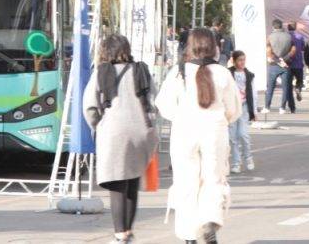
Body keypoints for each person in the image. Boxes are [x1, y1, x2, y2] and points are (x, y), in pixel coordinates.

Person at [156, 27, 241, 244]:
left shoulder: (178, 72)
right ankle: (210, 220)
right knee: (214, 178)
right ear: (214, 47)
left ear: (190, 47)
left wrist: (180, 117)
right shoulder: (222, 73)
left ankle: (188, 235)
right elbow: (233, 109)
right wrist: (221, 119)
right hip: (214, 130)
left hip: (184, 130)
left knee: (186, 182)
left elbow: (164, 105)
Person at [84, 34, 158, 243]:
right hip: (141, 132)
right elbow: (153, 100)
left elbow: (90, 107)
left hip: (113, 132)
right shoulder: (141, 70)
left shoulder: (101, 72)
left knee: (117, 185)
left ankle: (120, 235)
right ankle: (128, 232)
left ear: (105, 51)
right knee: (132, 181)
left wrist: (99, 126)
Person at [227, 50, 255, 173]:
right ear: (234, 61)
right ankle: (236, 163)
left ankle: (248, 157)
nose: (242, 62)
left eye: (244, 60)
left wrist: (254, 111)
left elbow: (253, 94)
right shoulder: (228, 73)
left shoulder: (249, 75)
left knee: (243, 134)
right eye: (239, 60)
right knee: (232, 137)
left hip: (244, 106)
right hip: (232, 106)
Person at [263, 19, 295, 114]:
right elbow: (293, 50)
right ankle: (282, 108)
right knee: (285, 88)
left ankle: (267, 107)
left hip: (273, 65)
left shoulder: (270, 37)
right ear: (282, 26)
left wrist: (278, 60)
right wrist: (284, 59)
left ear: (273, 26)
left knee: (270, 87)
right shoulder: (289, 36)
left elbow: (268, 51)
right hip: (286, 65)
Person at [284, 22, 306, 111]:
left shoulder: (285, 37)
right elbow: (303, 48)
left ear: (288, 28)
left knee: (288, 86)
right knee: (299, 81)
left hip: (287, 64)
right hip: (298, 63)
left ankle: (292, 107)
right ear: (295, 27)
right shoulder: (300, 37)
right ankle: (298, 88)